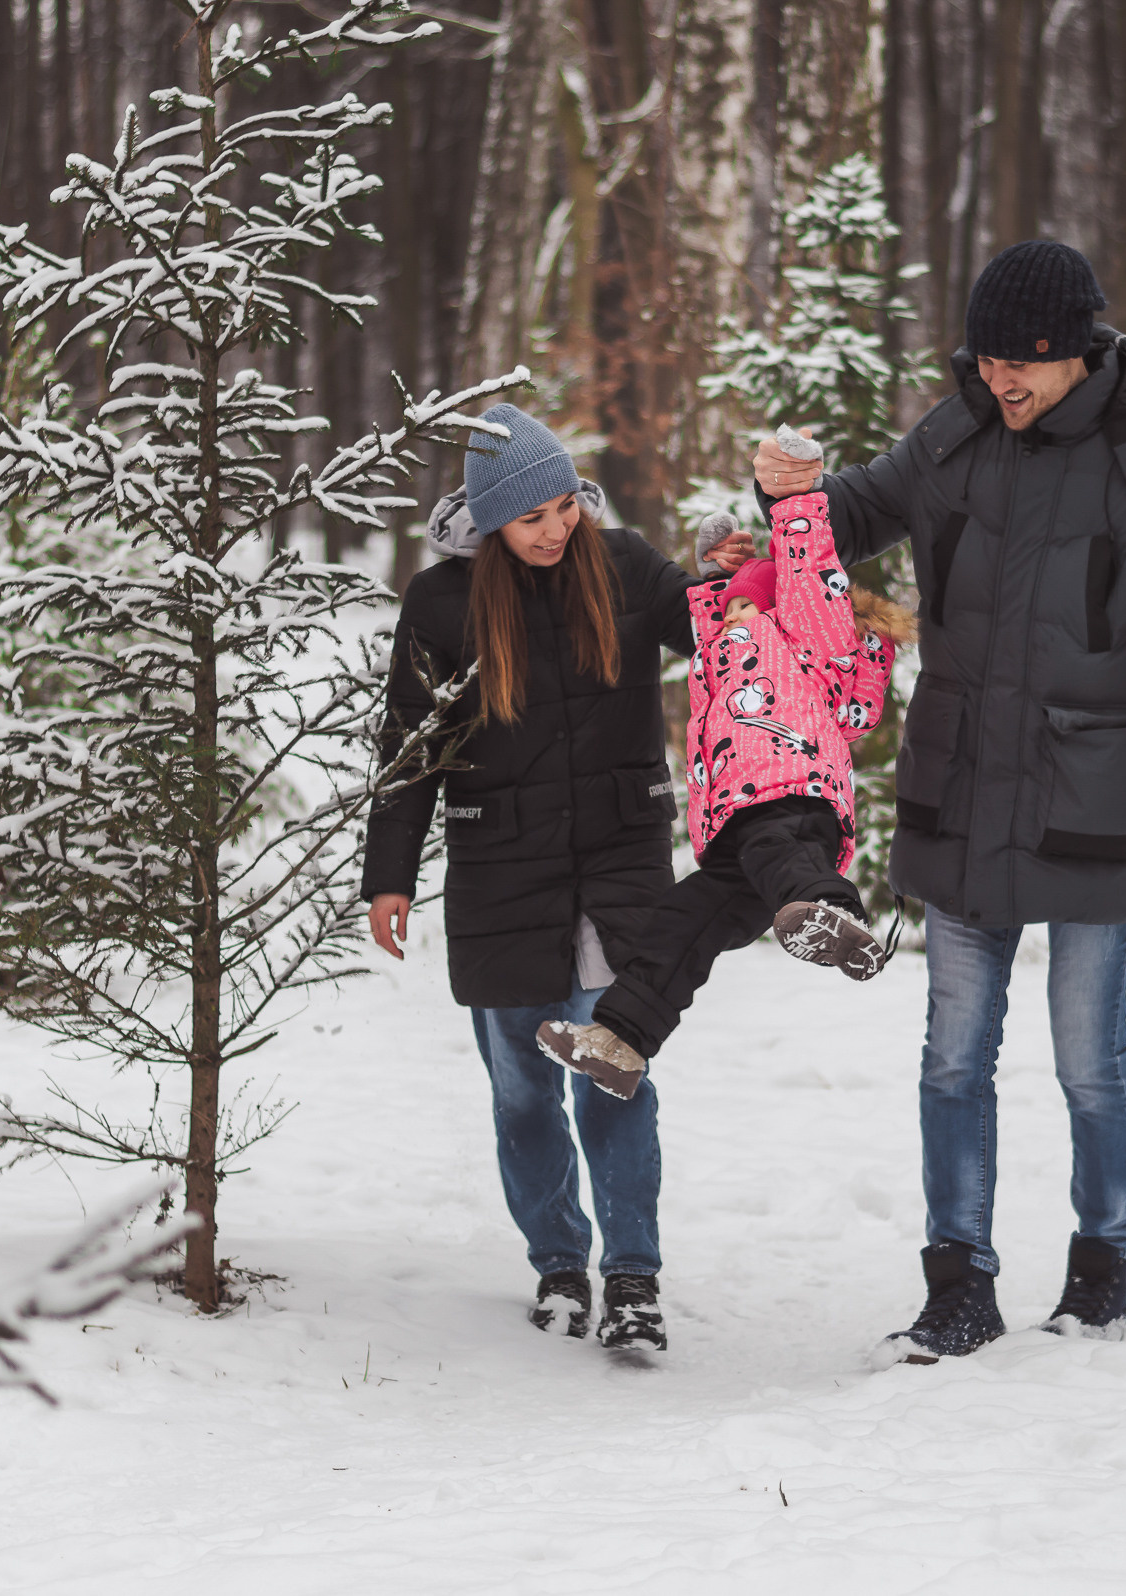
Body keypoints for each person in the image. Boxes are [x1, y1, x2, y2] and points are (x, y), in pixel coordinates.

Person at [750, 239, 1126, 1363]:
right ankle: (957, 1286)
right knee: (951, 1059)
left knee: (1088, 1057)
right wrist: (787, 507)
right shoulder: (958, 433)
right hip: (966, 789)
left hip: (1098, 802)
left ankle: (1101, 1270)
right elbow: (856, 513)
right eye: (985, 362)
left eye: (1021, 364)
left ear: (1076, 351)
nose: (1001, 383)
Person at [363, 402, 750, 1354]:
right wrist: (390, 876)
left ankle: (632, 1276)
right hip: (504, 871)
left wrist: (734, 576)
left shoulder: (621, 564)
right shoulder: (442, 602)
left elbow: (711, 631)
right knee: (522, 1091)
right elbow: (409, 751)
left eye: (563, 507)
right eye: (531, 516)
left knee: (615, 1071)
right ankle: (558, 1264)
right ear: (491, 517)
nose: (554, 528)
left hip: (619, 859)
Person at [534, 487, 918, 1100]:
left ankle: (833, 914)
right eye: (732, 611)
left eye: (749, 608)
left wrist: (794, 507)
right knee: (680, 924)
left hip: (797, 798)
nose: (736, 617)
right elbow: (712, 617)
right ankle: (620, 1040)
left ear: (778, 611)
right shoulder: (722, 650)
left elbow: (833, 650)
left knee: (773, 848)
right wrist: (720, 573)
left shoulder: (802, 646)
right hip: (738, 826)